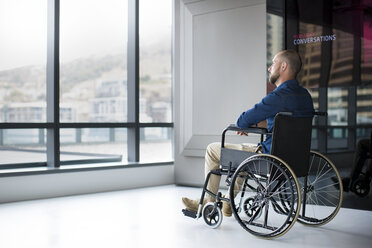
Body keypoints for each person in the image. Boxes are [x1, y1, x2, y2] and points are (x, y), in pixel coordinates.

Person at [182, 50, 314, 217]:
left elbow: (243, 120)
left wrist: (247, 124)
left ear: (283, 66)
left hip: (270, 158)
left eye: (273, 64)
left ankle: (208, 201)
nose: (269, 68)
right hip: (294, 159)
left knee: (212, 150)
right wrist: (260, 124)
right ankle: (227, 202)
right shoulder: (305, 96)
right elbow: (285, 123)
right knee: (242, 156)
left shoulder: (278, 96)